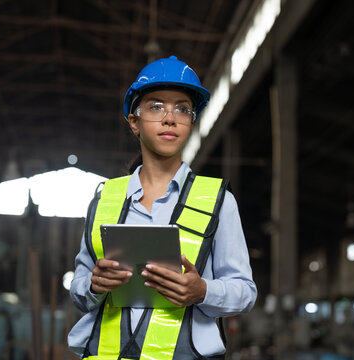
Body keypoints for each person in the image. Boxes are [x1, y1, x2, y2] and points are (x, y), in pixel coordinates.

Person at [68, 55, 257, 359]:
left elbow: (245, 291)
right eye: (156, 106)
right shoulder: (105, 198)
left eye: (182, 109)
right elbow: (80, 286)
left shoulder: (218, 201)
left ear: (191, 122)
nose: (170, 118)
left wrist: (203, 291)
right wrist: (93, 285)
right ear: (134, 121)